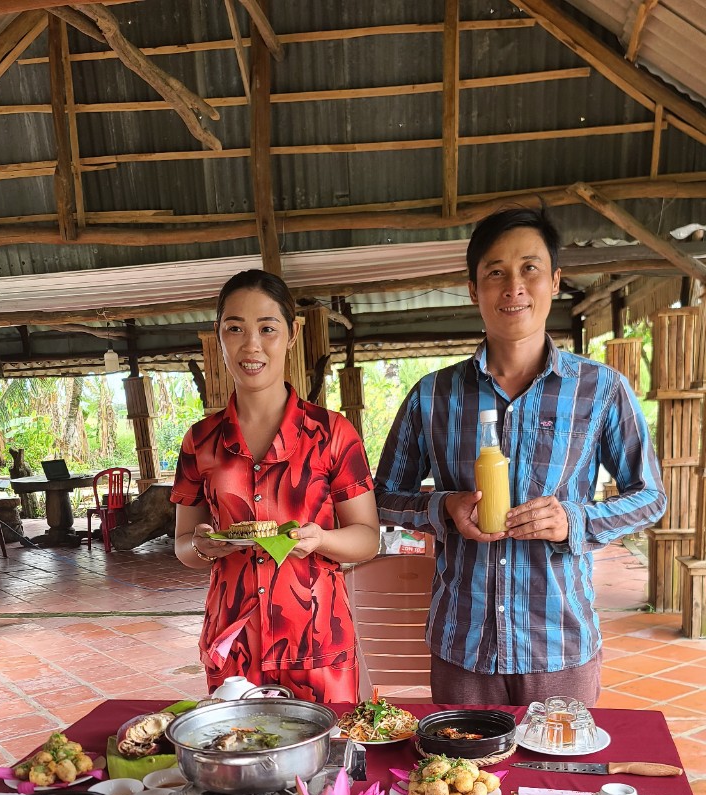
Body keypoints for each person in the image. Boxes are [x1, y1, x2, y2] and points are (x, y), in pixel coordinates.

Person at [374, 206, 667, 706]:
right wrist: (442, 507)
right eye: (496, 272)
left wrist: (573, 520)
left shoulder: (600, 390)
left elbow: (650, 498)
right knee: (459, 778)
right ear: (473, 288)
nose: (514, 286)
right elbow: (380, 498)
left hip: (559, 644)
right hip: (463, 645)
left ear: (554, 281)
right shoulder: (433, 396)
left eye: (529, 268)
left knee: (558, 783)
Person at [172, 269, 380, 701]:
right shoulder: (200, 441)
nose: (252, 345)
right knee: (237, 761)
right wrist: (203, 546)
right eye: (235, 329)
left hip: (317, 641)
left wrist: (319, 538)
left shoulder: (333, 433)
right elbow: (182, 546)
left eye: (268, 328)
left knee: (327, 766)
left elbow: (367, 539)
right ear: (219, 336)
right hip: (234, 646)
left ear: (291, 334)